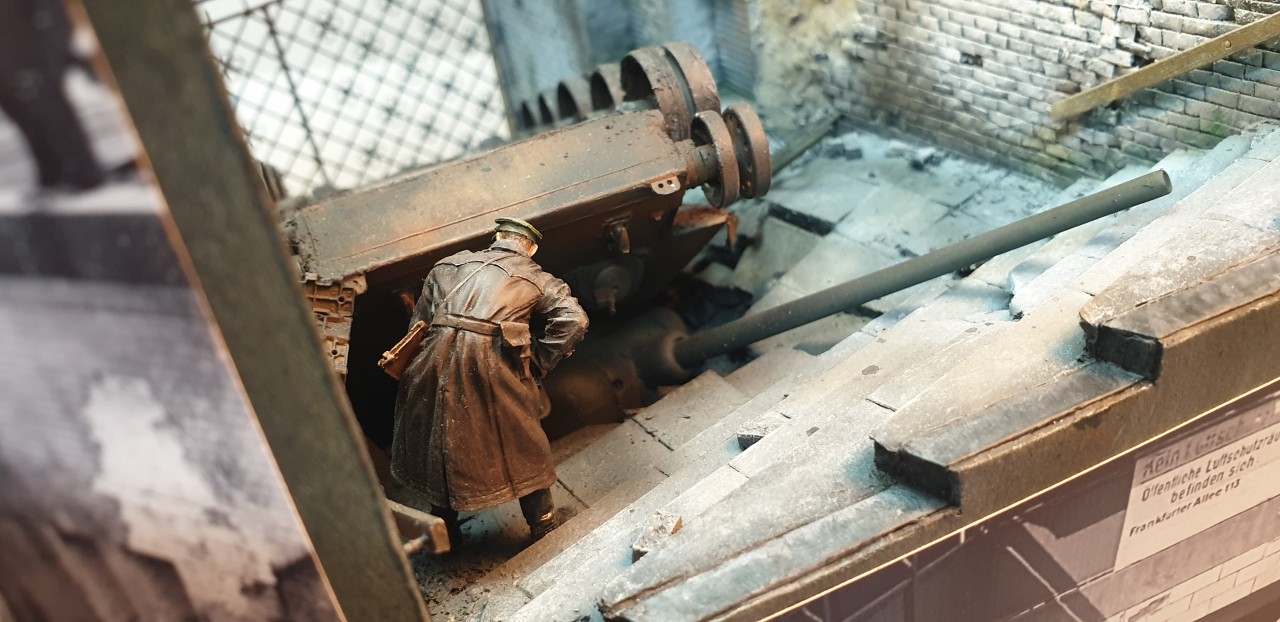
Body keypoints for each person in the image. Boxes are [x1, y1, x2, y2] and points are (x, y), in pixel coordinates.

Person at [391, 217, 588, 542]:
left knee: (438, 439)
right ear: (531, 248)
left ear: (496, 238)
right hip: (489, 364)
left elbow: (418, 325)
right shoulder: (536, 276)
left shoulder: (447, 265)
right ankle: (543, 522)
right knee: (523, 439)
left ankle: (445, 529)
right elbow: (574, 320)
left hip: (432, 359)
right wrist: (540, 362)